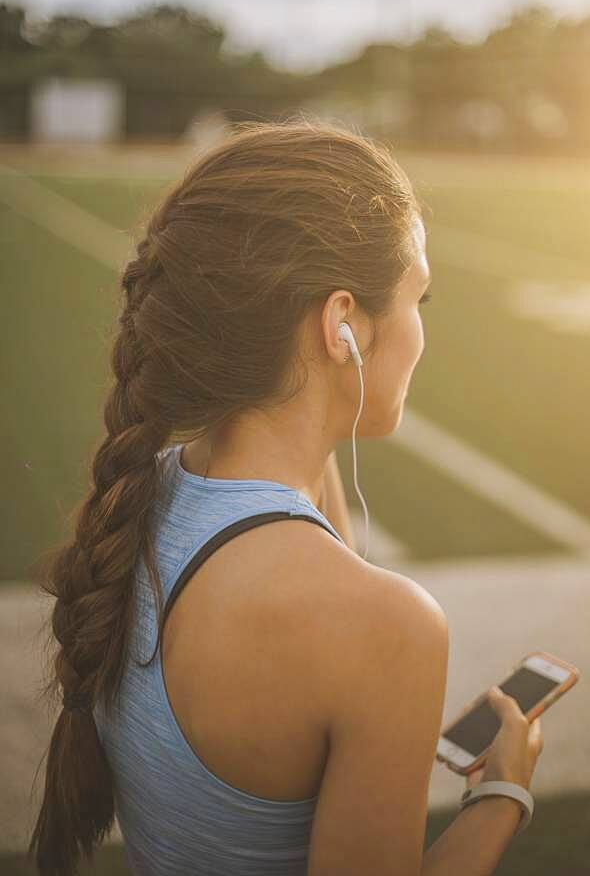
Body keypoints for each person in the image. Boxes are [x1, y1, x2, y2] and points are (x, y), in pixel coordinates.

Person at [29, 117, 542, 875]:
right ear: (343, 323)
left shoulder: (142, 494)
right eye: (419, 301)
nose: (423, 334)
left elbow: (300, 480)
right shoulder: (383, 625)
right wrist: (504, 793)